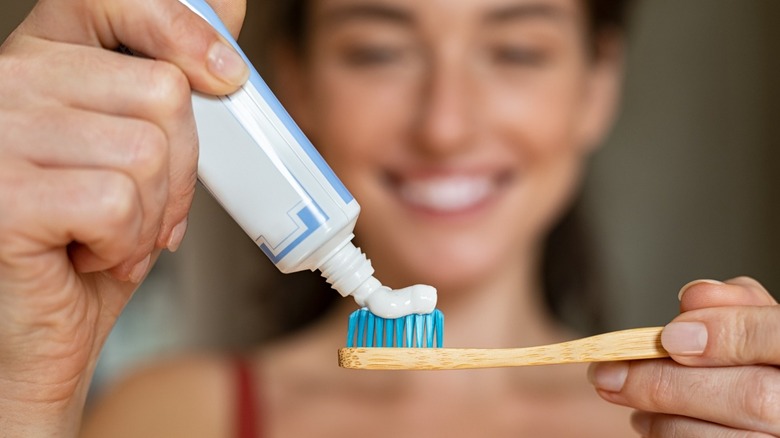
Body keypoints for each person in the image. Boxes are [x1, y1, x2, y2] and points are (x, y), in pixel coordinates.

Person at [0, 0, 778, 436]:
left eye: (516, 52)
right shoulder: (173, 417)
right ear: (293, 85)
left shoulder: (694, 425)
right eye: (378, 51)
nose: (445, 124)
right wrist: (25, 383)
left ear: (597, 86)